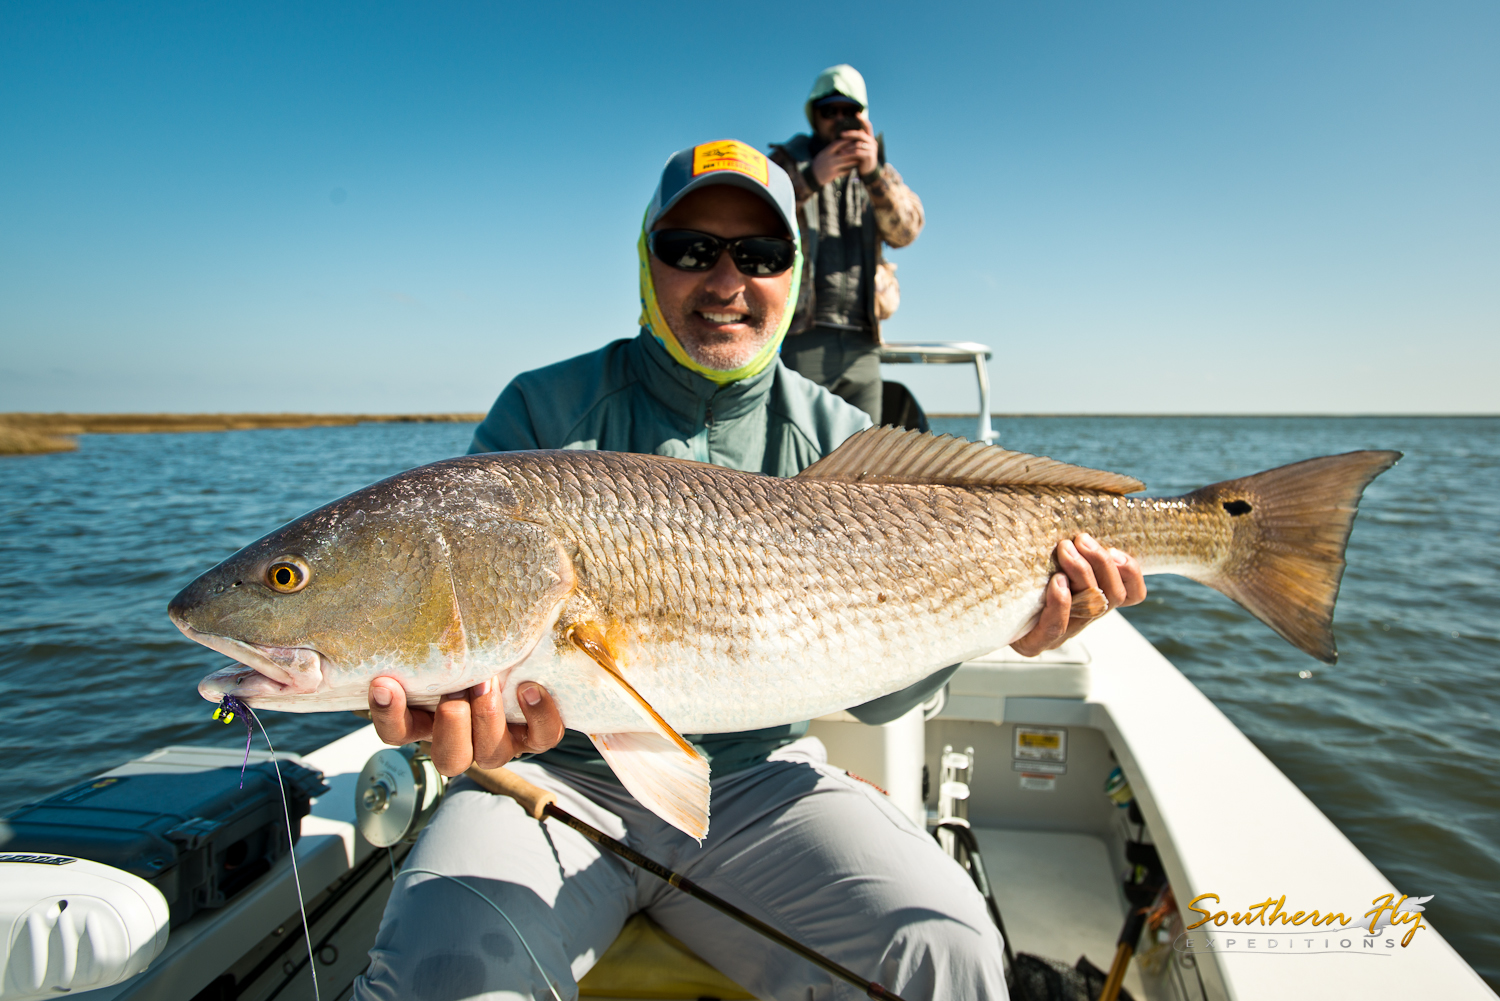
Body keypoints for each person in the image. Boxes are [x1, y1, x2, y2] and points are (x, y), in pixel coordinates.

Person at [353, 140, 1145, 1001]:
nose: (726, 280)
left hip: (762, 785)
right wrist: (471, 721)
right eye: (691, 249)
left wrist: (1000, 616)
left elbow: (877, 696)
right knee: (442, 975)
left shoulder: (840, 437)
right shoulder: (542, 413)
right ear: (646, 264)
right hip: (550, 778)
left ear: (795, 275)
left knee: (946, 952)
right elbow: (463, 634)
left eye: (761, 255)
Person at [770, 64, 924, 425]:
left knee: (862, 457)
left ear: (864, 117)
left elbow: (906, 232)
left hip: (863, 342)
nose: (839, 119)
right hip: (803, 332)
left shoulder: (880, 173)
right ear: (814, 115)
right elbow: (753, 220)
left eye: (849, 110)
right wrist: (810, 178)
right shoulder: (785, 163)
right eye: (829, 110)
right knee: (797, 452)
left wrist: (873, 175)